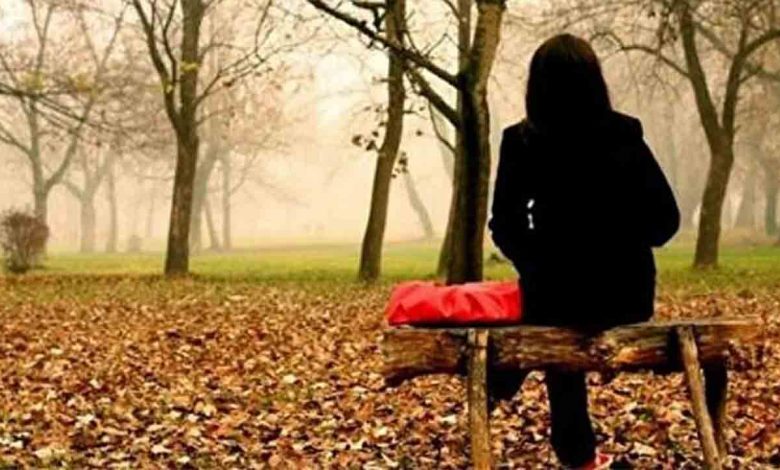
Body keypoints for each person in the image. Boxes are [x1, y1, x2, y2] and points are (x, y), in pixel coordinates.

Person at [488, 34, 680, 469]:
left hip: (554, 293)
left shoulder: (520, 141)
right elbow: (665, 221)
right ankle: (519, 396)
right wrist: (622, 235)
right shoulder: (625, 134)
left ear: (536, 86)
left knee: (552, 316)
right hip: (626, 294)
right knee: (556, 316)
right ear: (595, 81)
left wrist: (539, 264)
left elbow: (505, 225)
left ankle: (575, 454)